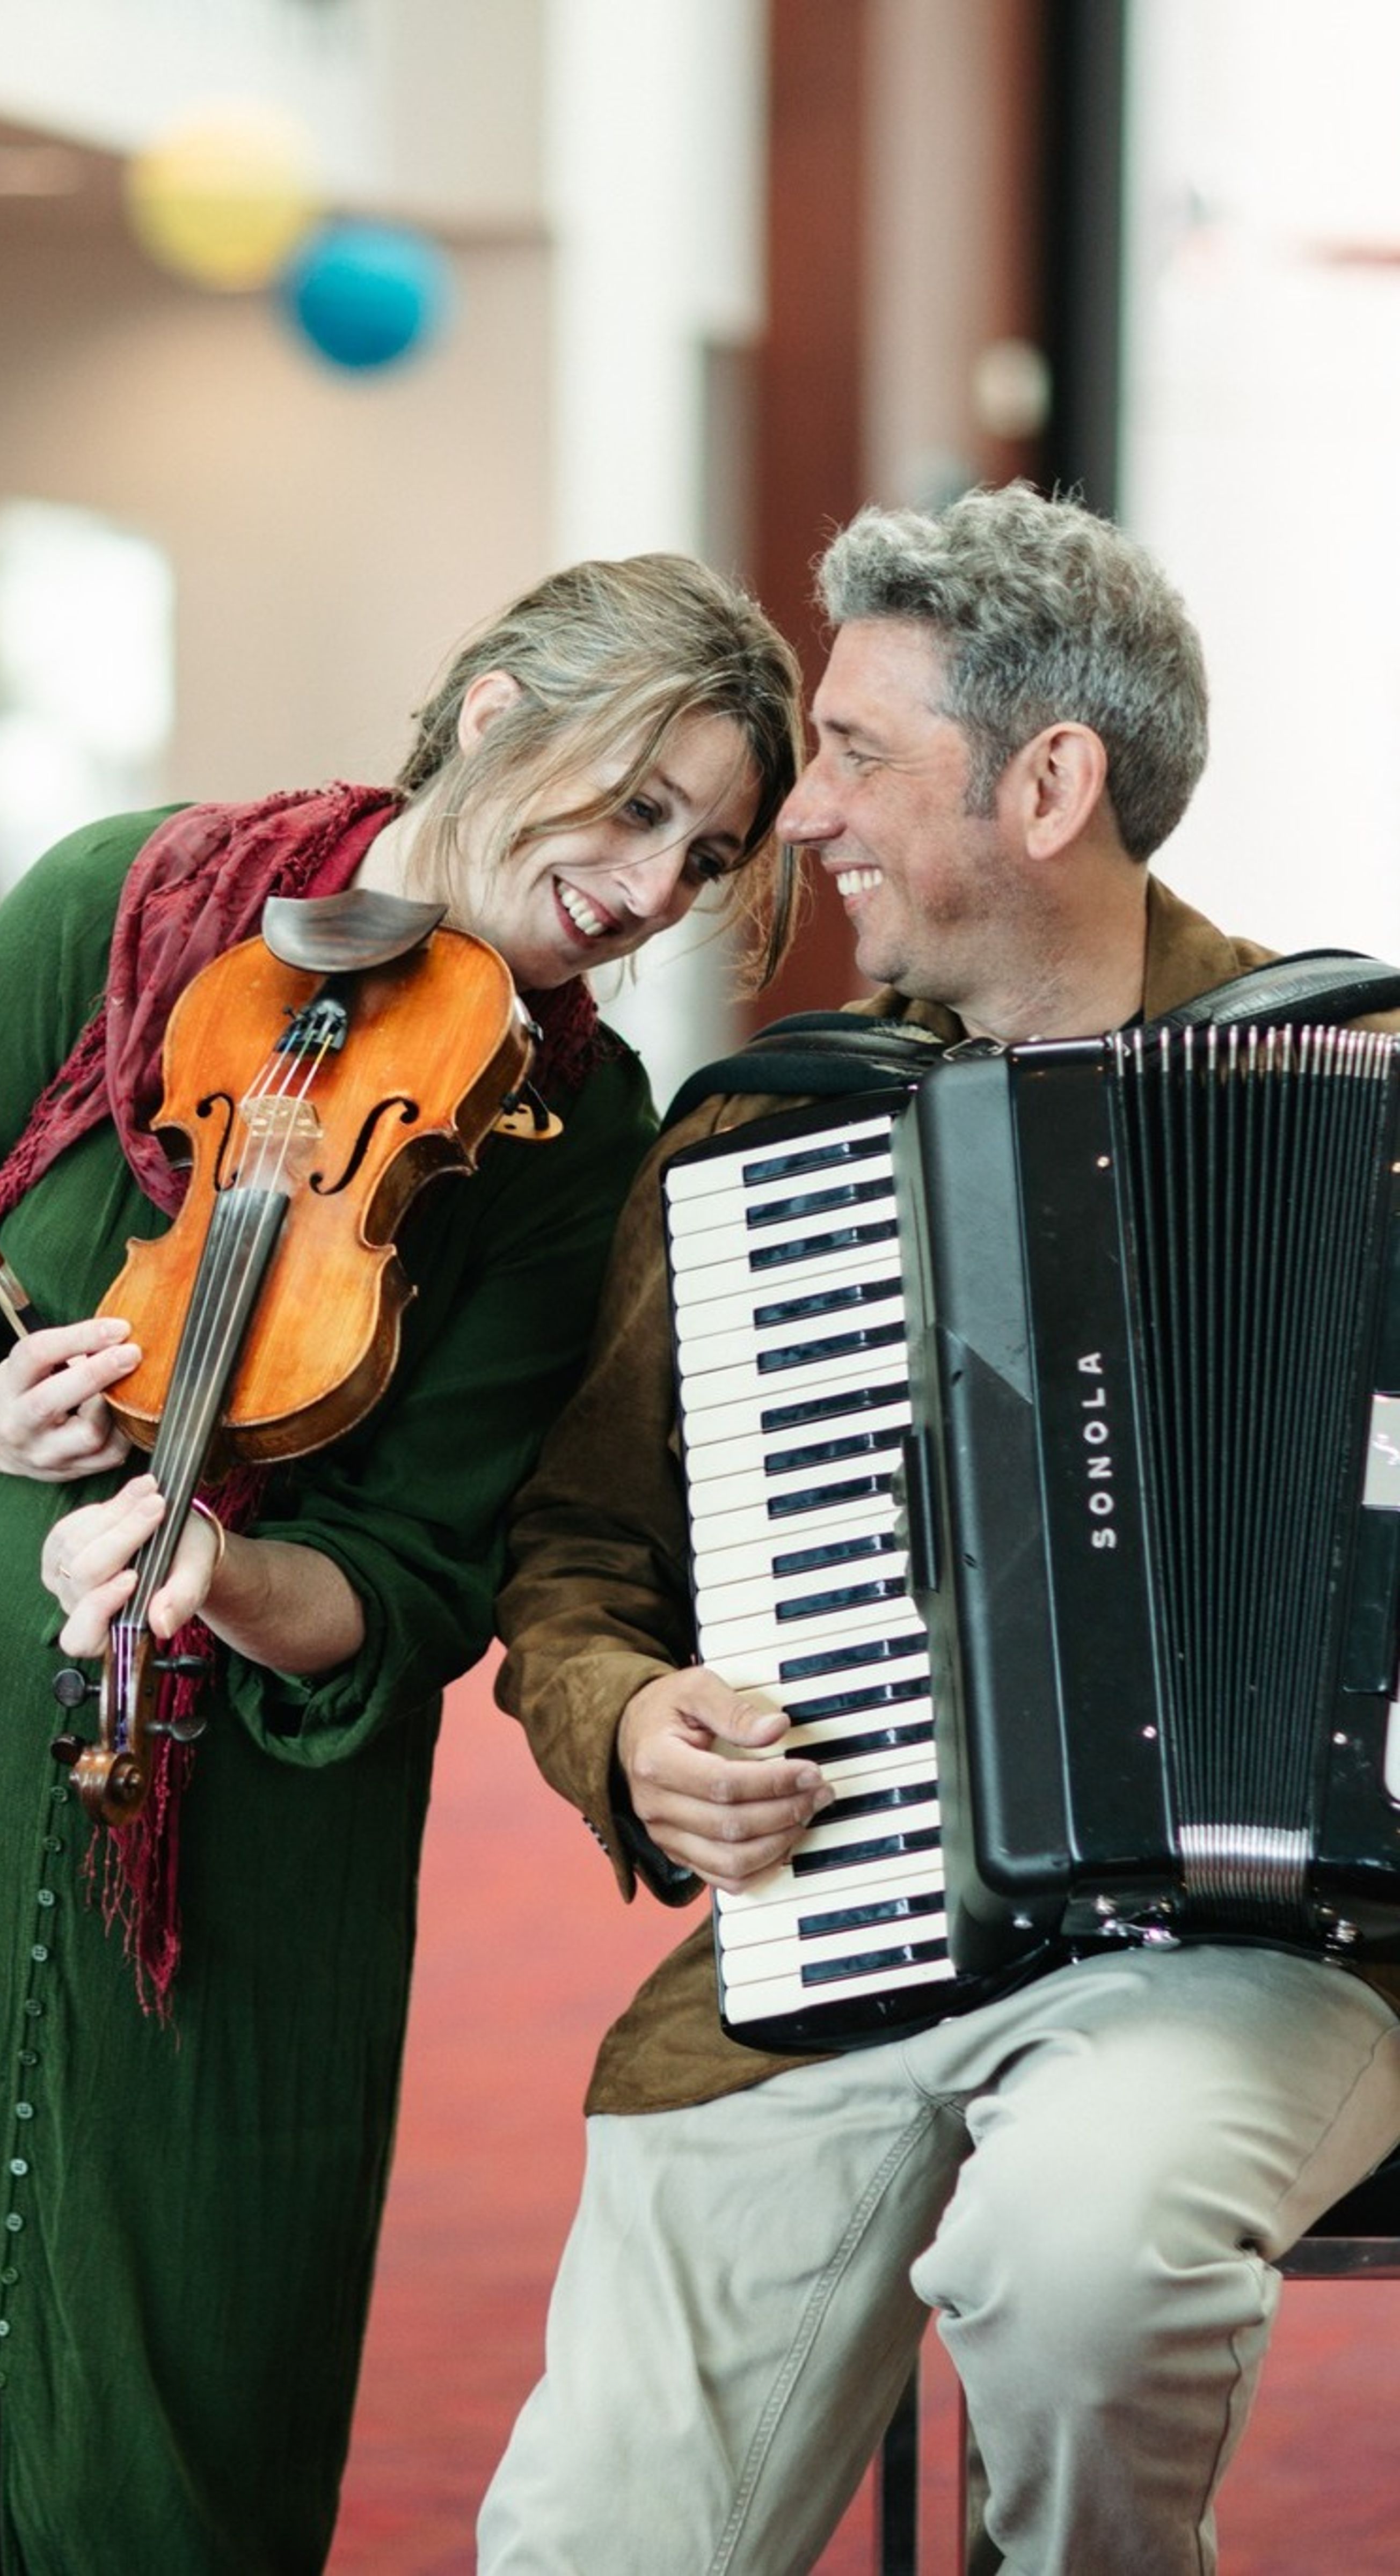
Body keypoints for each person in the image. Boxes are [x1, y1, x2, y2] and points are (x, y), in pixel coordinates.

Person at [0, 553, 805, 2574]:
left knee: (193, 2421)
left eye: (712, 850)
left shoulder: (577, 1126)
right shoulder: (124, 908)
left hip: (245, 1831)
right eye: (639, 807)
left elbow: (410, 1581)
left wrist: (209, 1574)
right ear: (495, 715)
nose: (659, 889)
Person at [480, 487, 1400, 2576]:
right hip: (835, 1932)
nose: (801, 818)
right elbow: (581, 1557)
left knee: (1076, 2269)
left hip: (1264, 1951)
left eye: (857, 754)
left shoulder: (1367, 1088)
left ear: (1050, 782)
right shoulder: (770, 1145)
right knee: (592, 2551)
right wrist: (627, 1723)